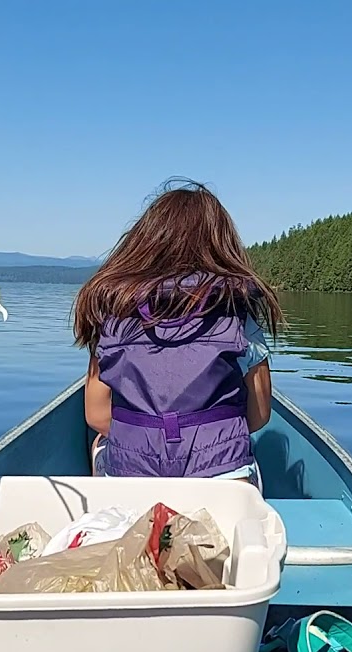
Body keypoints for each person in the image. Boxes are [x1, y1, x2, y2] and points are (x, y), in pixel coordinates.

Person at [73, 179, 283, 488]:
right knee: (244, 460)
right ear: (220, 243)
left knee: (99, 445)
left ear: (145, 241)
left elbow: (97, 415)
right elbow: (258, 415)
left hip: (132, 475)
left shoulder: (113, 312)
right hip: (221, 478)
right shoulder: (238, 310)